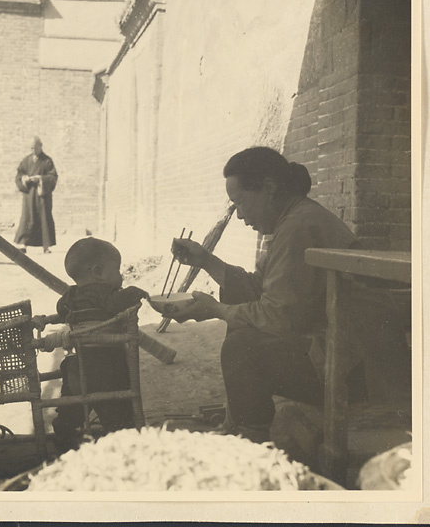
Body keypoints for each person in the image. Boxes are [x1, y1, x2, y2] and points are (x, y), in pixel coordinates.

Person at [166, 146, 410, 444]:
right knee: (242, 328)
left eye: (241, 202)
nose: (240, 215)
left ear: (268, 188)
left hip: (363, 368)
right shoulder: (293, 219)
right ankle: (247, 430)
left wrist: (219, 310)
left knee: (243, 348)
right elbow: (261, 289)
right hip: (349, 355)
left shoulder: (298, 226)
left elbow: (277, 316)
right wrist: (206, 260)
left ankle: (250, 446)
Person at [38, 237, 148, 451]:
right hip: (106, 366)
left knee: (72, 408)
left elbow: (62, 311)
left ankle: (64, 439)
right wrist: (136, 292)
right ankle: (122, 445)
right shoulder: (107, 294)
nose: (121, 276)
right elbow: (119, 302)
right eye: (117, 270)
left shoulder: (69, 297)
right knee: (117, 412)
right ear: (98, 272)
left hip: (77, 365)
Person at [14, 136, 58, 254]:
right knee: (27, 218)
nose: (33, 151)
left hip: (42, 195)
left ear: (40, 146)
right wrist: (24, 179)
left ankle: (46, 246)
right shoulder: (26, 160)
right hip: (29, 195)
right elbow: (19, 175)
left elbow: (53, 177)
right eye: (31, 148)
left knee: (44, 218)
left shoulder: (47, 161)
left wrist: (41, 179)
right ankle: (23, 244)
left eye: (35, 148)